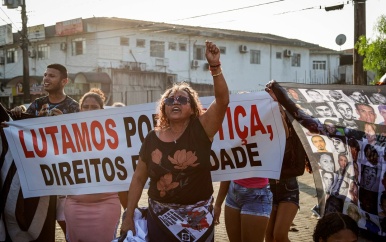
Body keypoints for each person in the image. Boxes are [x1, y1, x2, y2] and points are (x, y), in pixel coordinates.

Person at [120, 41, 229, 241]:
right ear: (164, 109)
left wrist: (215, 67)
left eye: (182, 99)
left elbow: (222, 101)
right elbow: (138, 178)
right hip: (160, 219)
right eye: (170, 100)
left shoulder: (202, 129)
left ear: (193, 107)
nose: (175, 102)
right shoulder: (152, 138)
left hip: (199, 220)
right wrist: (128, 215)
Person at [4, 63, 80, 239]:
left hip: (63, 176)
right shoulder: (37, 104)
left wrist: (65, 124)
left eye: (52, 76)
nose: (46, 79)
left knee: (67, 225)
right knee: (38, 225)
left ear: (64, 81)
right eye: (45, 75)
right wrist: (16, 114)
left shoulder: (73, 107)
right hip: (39, 177)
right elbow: (20, 127)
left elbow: (80, 140)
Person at [64, 88, 122, 242]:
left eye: (94, 107)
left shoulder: (116, 134)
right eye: (86, 107)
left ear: (102, 110)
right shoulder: (67, 133)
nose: (89, 110)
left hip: (106, 204)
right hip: (75, 205)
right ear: (80, 109)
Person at [264, 81, 307, 242]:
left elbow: (299, 169)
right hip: (267, 190)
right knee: (268, 237)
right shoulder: (262, 133)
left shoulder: (295, 133)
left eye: (273, 95)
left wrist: (273, 171)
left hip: (288, 190)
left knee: (280, 236)